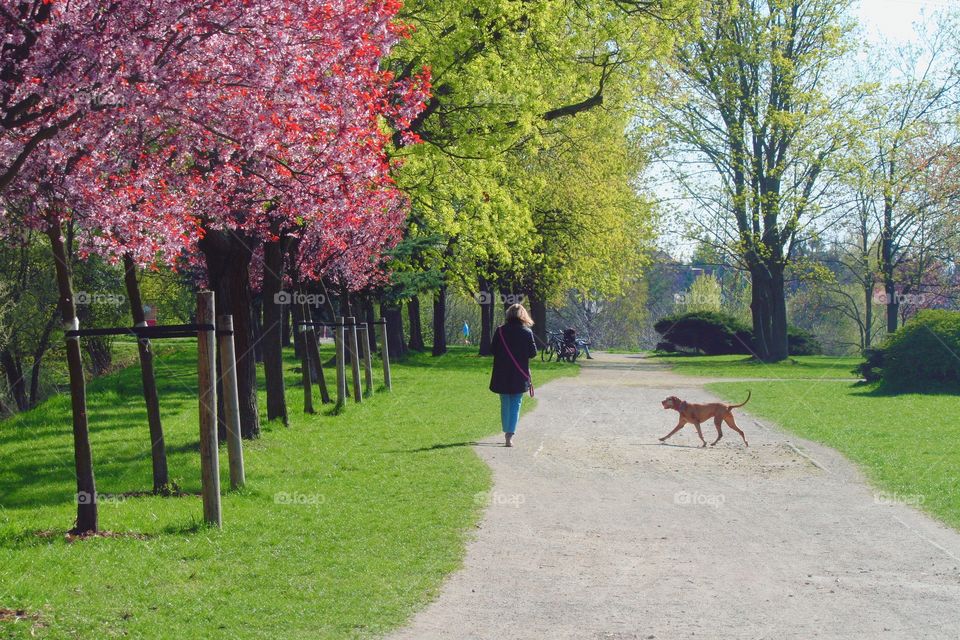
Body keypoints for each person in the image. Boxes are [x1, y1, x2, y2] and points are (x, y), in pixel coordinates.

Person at [489, 303, 537, 447]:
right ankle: (510, 435)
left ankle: (506, 431)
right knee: (516, 403)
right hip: (519, 373)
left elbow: (493, 350)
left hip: (502, 373)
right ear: (523, 315)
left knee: (505, 402)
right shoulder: (527, 332)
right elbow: (533, 353)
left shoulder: (500, 331)